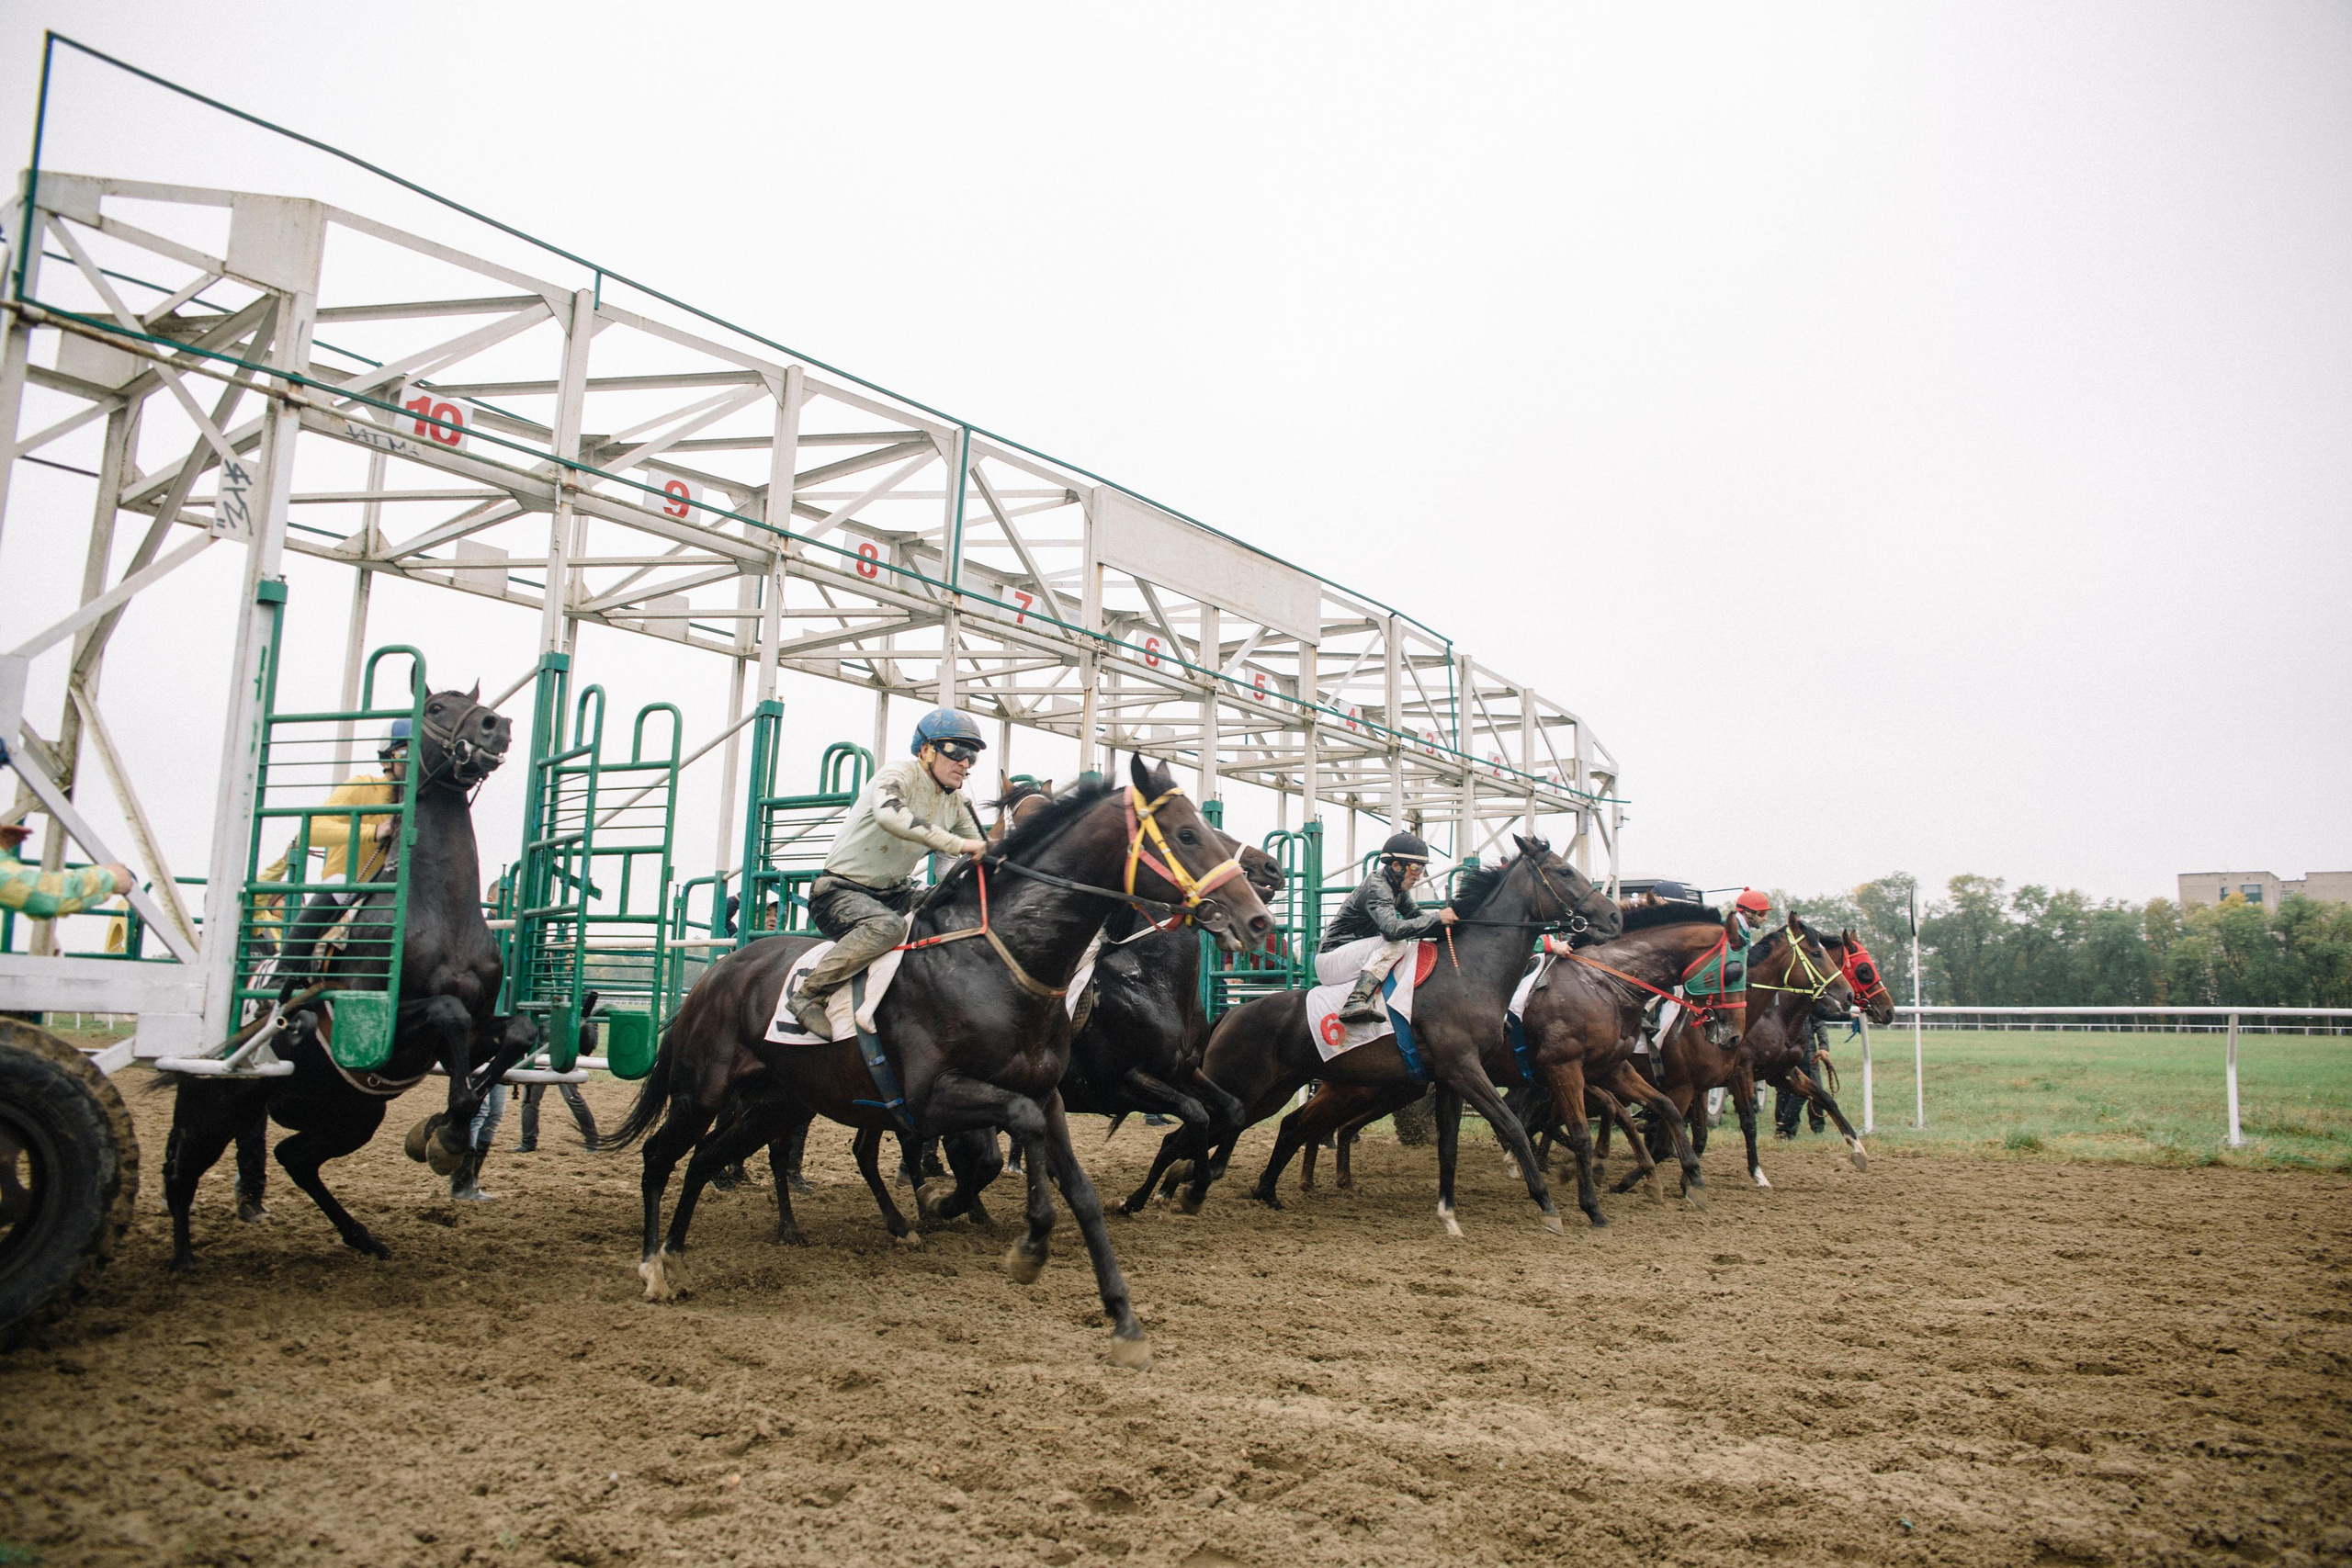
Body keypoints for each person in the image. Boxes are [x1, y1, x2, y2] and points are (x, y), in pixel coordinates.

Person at [784, 707, 988, 1039]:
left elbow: (975, 851)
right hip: (839, 892)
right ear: (926, 750)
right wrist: (960, 844)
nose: (965, 763)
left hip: (894, 891)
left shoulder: (958, 802)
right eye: (956, 750)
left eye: (972, 756)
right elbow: (890, 816)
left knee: (954, 913)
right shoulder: (898, 774)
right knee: (887, 928)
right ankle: (808, 995)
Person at [262, 721, 408, 972]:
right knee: (340, 883)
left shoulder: (423, 803)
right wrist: (373, 831)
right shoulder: (362, 786)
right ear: (386, 760)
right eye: (404, 754)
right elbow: (309, 832)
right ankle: (285, 971)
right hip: (353, 889)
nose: (412, 763)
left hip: (397, 891)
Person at [1321, 831, 1457, 1024]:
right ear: (1396, 866)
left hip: (1353, 956)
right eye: (1416, 868)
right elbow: (1391, 930)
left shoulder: (1397, 889)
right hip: (1332, 959)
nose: (1419, 876)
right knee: (1397, 944)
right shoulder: (1377, 886)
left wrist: (1450, 924)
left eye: (1423, 869)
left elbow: (1419, 920)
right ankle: (1355, 1001)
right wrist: (1437, 918)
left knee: (1409, 948)